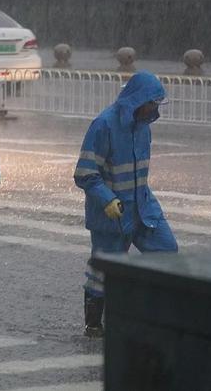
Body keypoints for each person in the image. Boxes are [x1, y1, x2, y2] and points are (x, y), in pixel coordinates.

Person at [73, 70, 178, 338]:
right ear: (137, 100)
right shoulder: (104, 125)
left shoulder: (143, 127)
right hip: (112, 213)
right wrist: (108, 199)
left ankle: (151, 313)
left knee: (167, 252)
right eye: (151, 103)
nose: (154, 109)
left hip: (143, 208)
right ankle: (94, 324)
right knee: (103, 270)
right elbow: (85, 173)